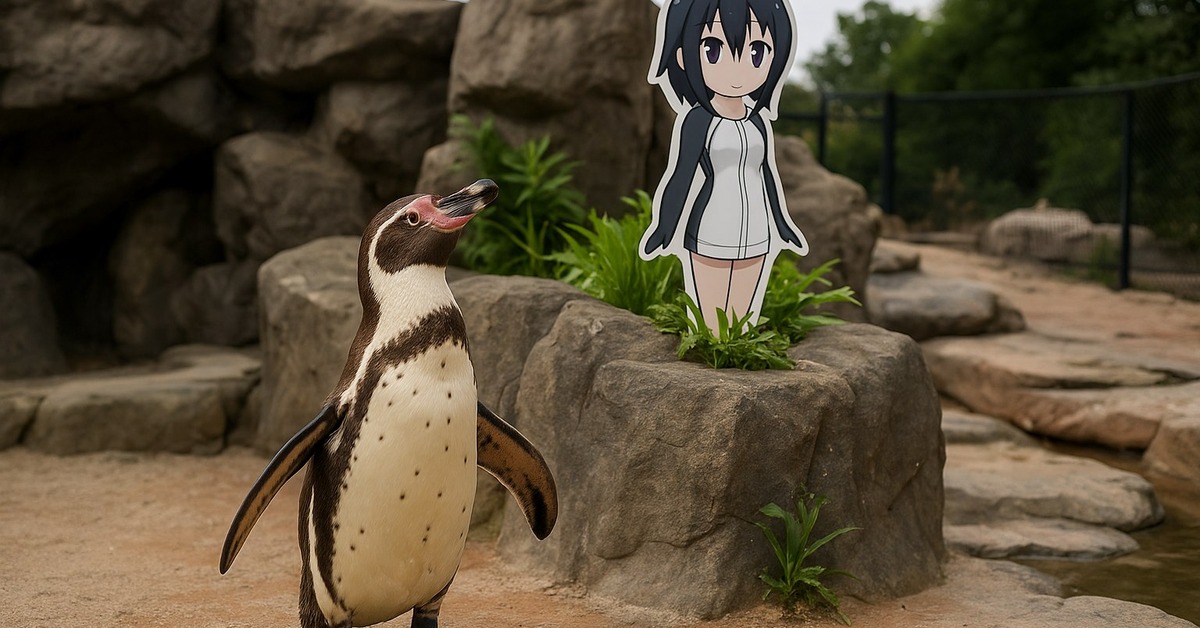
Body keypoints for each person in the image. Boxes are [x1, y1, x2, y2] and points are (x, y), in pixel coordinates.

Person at [641, 0, 808, 333]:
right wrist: (664, 227)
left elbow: (766, 175)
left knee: (740, 323)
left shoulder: (758, 121)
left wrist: (782, 223)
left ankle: (738, 362)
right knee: (713, 324)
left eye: (758, 51)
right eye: (713, 48)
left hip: (759, 230)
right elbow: (681, 175)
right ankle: (712, 370)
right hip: (711, 227)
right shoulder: (698, 120)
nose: (738, 68)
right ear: (682, 55)